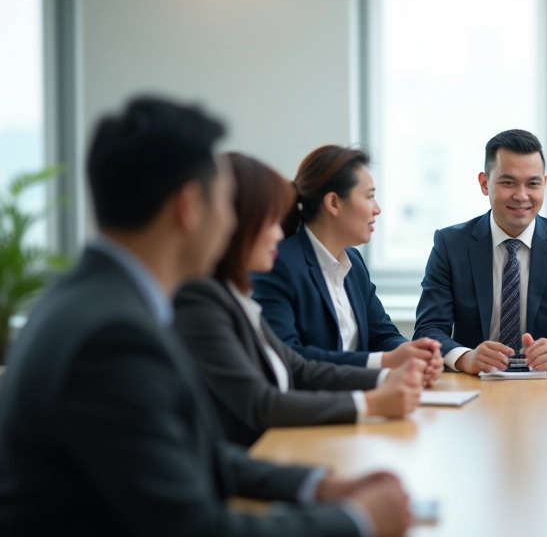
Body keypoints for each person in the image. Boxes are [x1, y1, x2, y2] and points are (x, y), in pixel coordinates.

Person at [0, 97, 412, 537]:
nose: (231, 222)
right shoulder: (113, 335)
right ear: (189, 207)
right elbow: (193, 527)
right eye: (224, 204)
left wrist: (320, 485)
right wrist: (356, 521)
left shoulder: (98, 300)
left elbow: (196, 452)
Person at [174, 152, 425, 447]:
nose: (278, 234)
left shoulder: (235, 298)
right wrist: (372, 400)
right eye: (269, 222)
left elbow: (296, 366)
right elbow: (264, 400)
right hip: (280, 444)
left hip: (295, 438)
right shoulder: (205, 301)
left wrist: (393, 370)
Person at [414, 129, 547, 374]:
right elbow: (428, 330)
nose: (522, 195)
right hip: (474, 387)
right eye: (508, 182)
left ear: (544, 184)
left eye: (533, 183)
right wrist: (465, 358)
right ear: (484, 184)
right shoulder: (451, 244)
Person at [252, 145, 443, 380]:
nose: (377, 209)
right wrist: (385, 362)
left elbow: (381, 334)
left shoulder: (353, 261)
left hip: (364, 400)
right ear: (333, 203)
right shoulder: (278, 264)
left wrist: (414, 355)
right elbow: (289, 357)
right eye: (370, 196)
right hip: (313, 410)